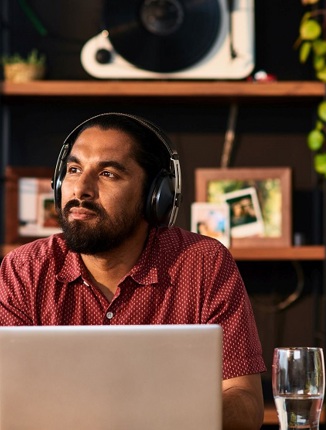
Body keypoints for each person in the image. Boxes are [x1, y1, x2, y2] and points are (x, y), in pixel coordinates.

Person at [0, 112, 266, 430]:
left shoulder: (203, 264)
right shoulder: (24, 270)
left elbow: (245, 404)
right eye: (73, 170)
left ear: (156, 196)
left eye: (108, 174)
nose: (81, 189)